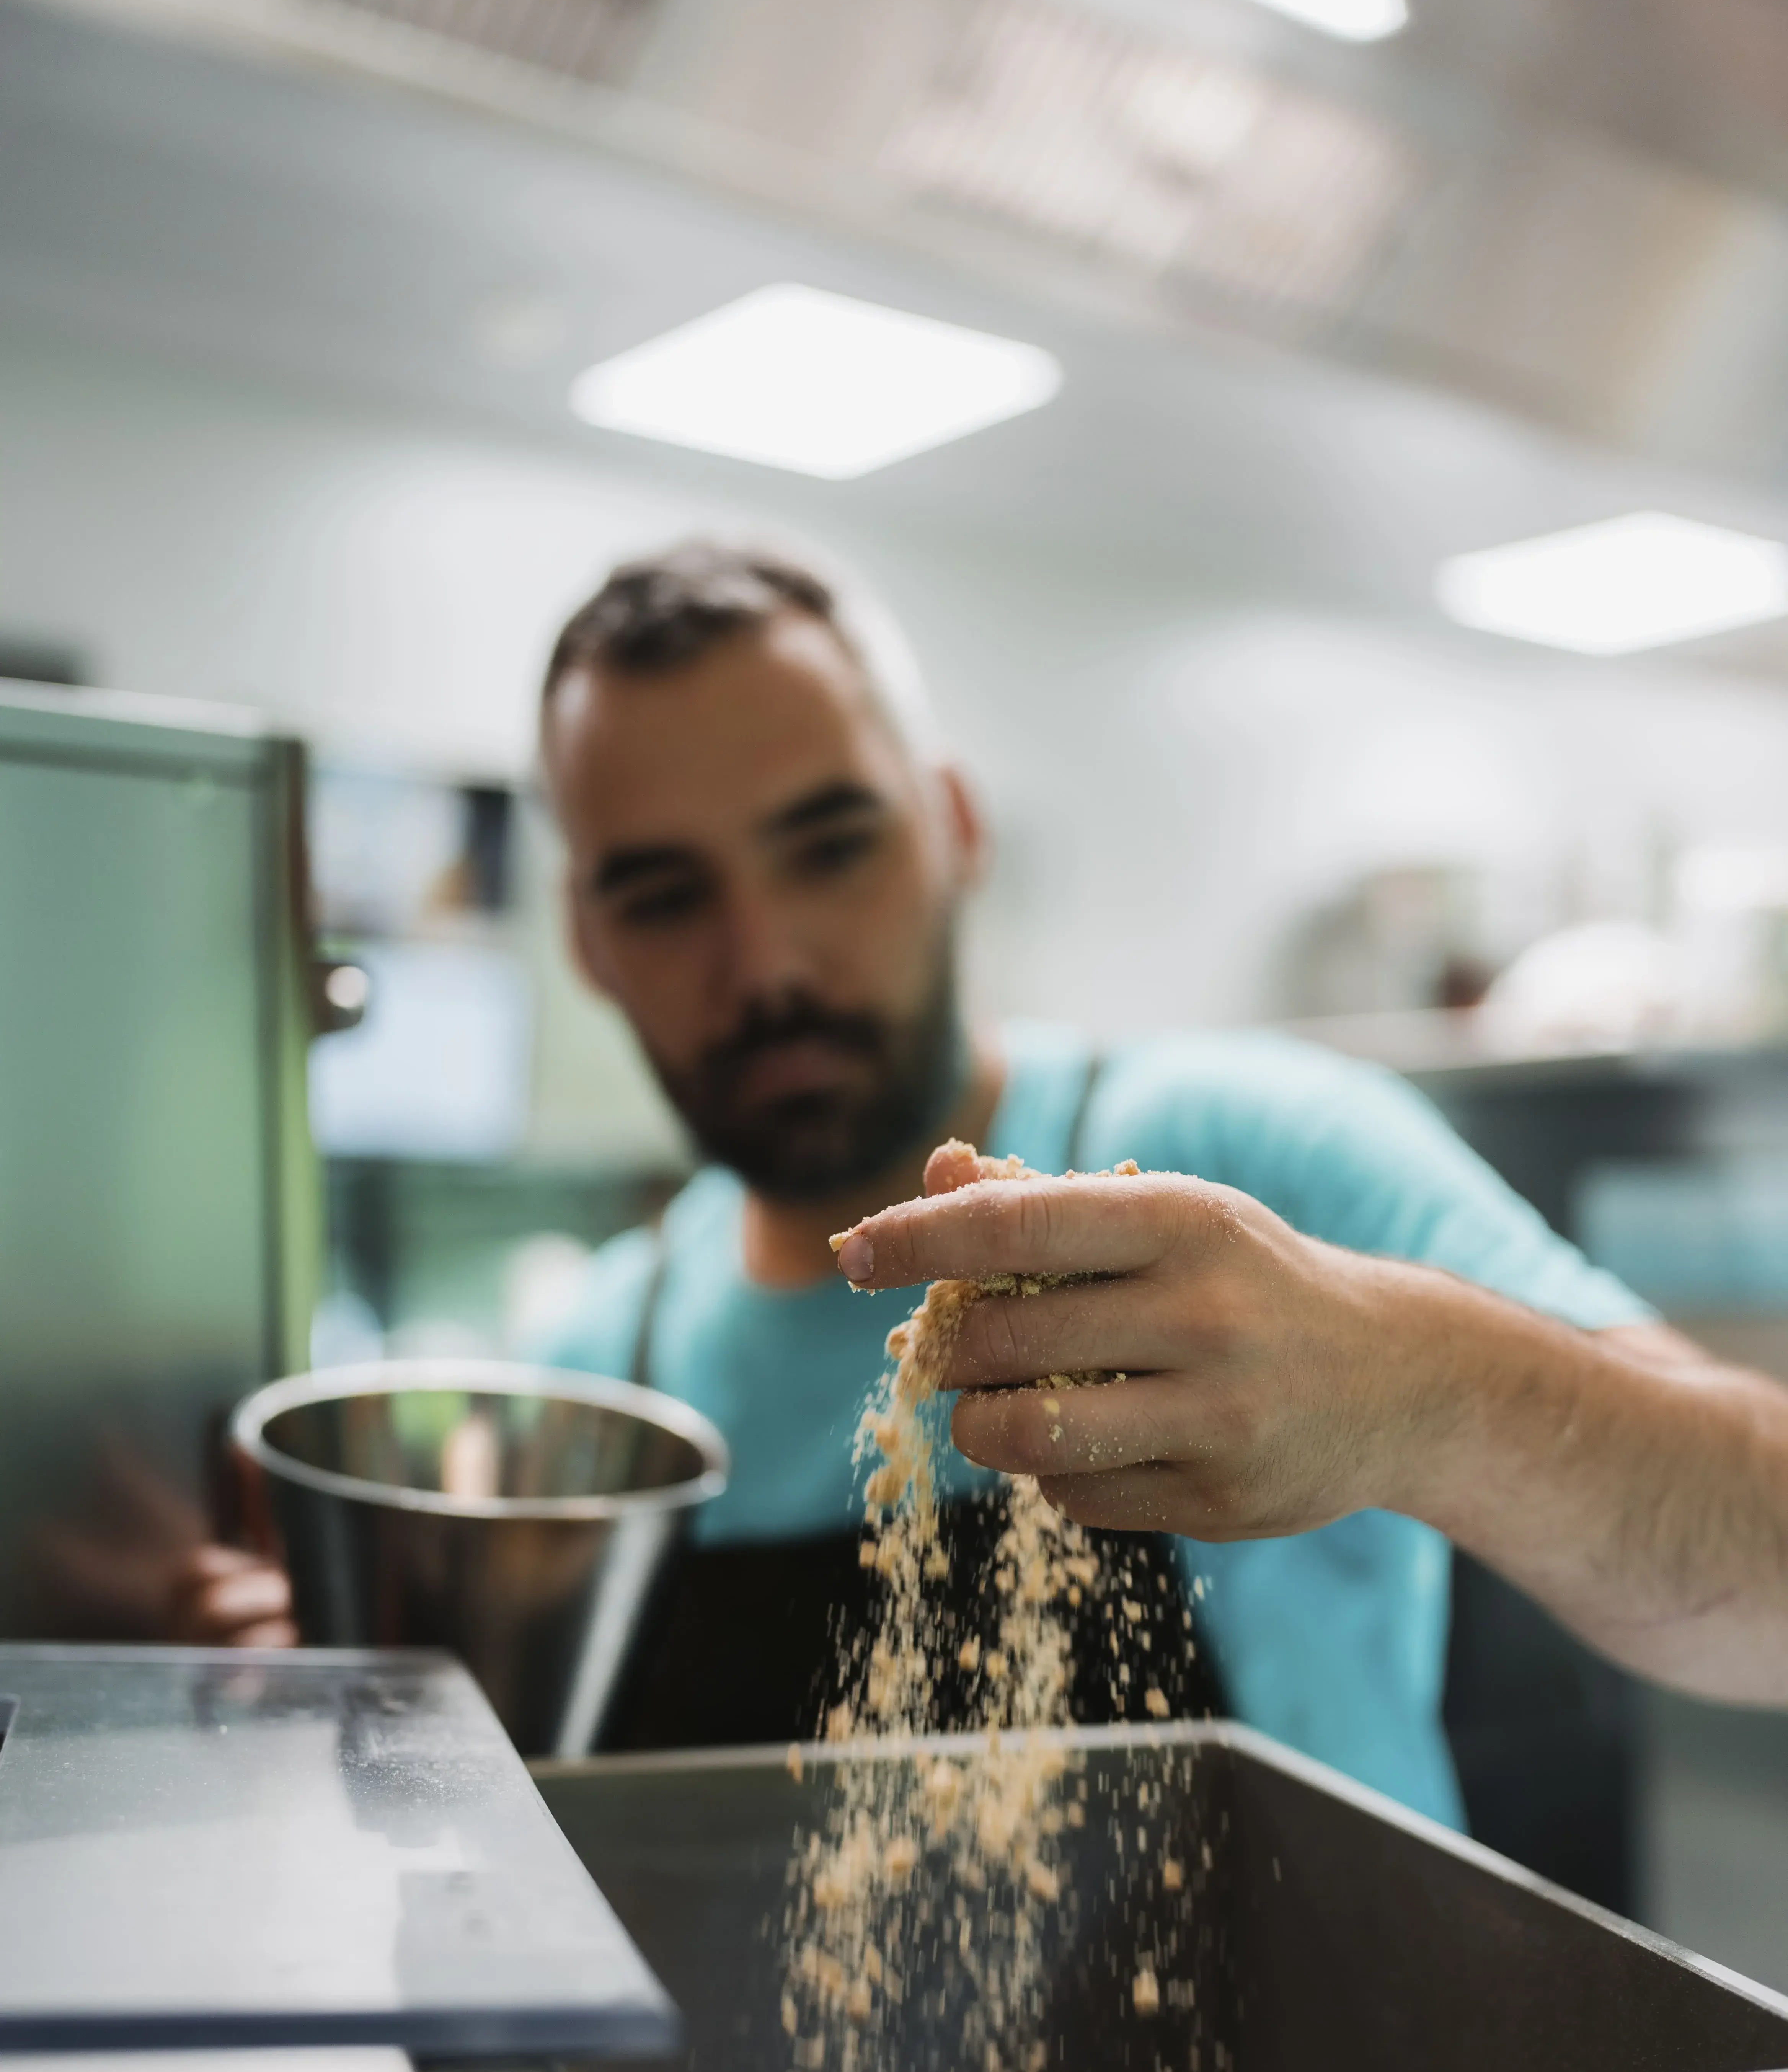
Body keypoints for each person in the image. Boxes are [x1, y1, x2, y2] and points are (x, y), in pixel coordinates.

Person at [179, 538, 1788, 1824]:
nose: (768, 966)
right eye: (666, 898)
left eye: (831, 847)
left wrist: (1425, 1386)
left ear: (953, 829)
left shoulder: (1254, 1160)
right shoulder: (599, 1383)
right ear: (591, 944)